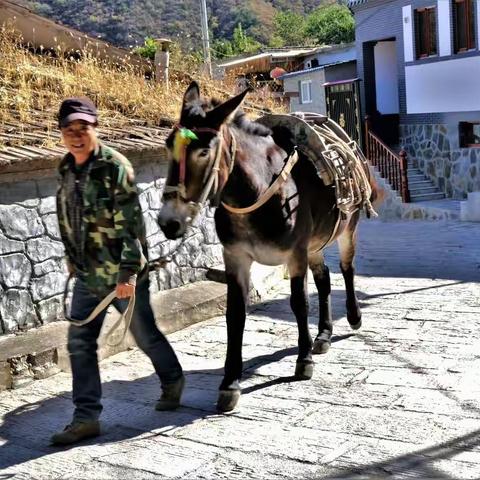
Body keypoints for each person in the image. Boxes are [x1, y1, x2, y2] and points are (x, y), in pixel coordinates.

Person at [52, 97, 184, 445]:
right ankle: (86, 418)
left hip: (121, 275)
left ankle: (172, 379)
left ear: (95, 128)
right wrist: (71, 255)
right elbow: (68, 217)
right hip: (87, 275)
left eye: (84, 127)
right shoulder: (66, 168)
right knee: (79, 343)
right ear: (62, 133)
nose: (77, 135)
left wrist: (128, 274)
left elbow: (131, 226)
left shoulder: (115, 166)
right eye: (70, 128)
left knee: (144, 335)